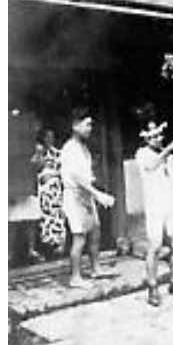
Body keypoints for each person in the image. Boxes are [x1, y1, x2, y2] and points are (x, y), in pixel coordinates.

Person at [135, 121, 173, 307]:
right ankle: (152, 286)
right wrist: (167, 152)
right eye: (153, 136)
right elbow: (150, 167)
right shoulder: (142, 154)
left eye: (159, 135)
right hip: (155, 205)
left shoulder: (169, 156)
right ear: (147, 139)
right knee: (155, 245)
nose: (158, 139)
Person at [60, 108, 115, 288]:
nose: (90, 128)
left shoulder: (83, 148)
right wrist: (98, 194)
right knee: (79, 237)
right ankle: (75, 277)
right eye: (87, 124)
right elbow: (76, 177)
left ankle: (96, 268)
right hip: (74, 196)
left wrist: (96, 192)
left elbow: (86, 176)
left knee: (95, 233)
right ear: (75, 126)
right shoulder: (69, 148)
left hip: (86, 195)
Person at [31, 128, 66, 255]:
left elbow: (65, 171)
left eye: (51, 137)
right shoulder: (37, 153)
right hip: (42, 190)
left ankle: (60, 244)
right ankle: (46, 246)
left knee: (57, 215)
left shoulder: (58, 153)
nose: (49, 139)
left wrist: (52, 174)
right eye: (47, 137)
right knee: (43, 217)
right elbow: (33, 168)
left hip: (55, 189)